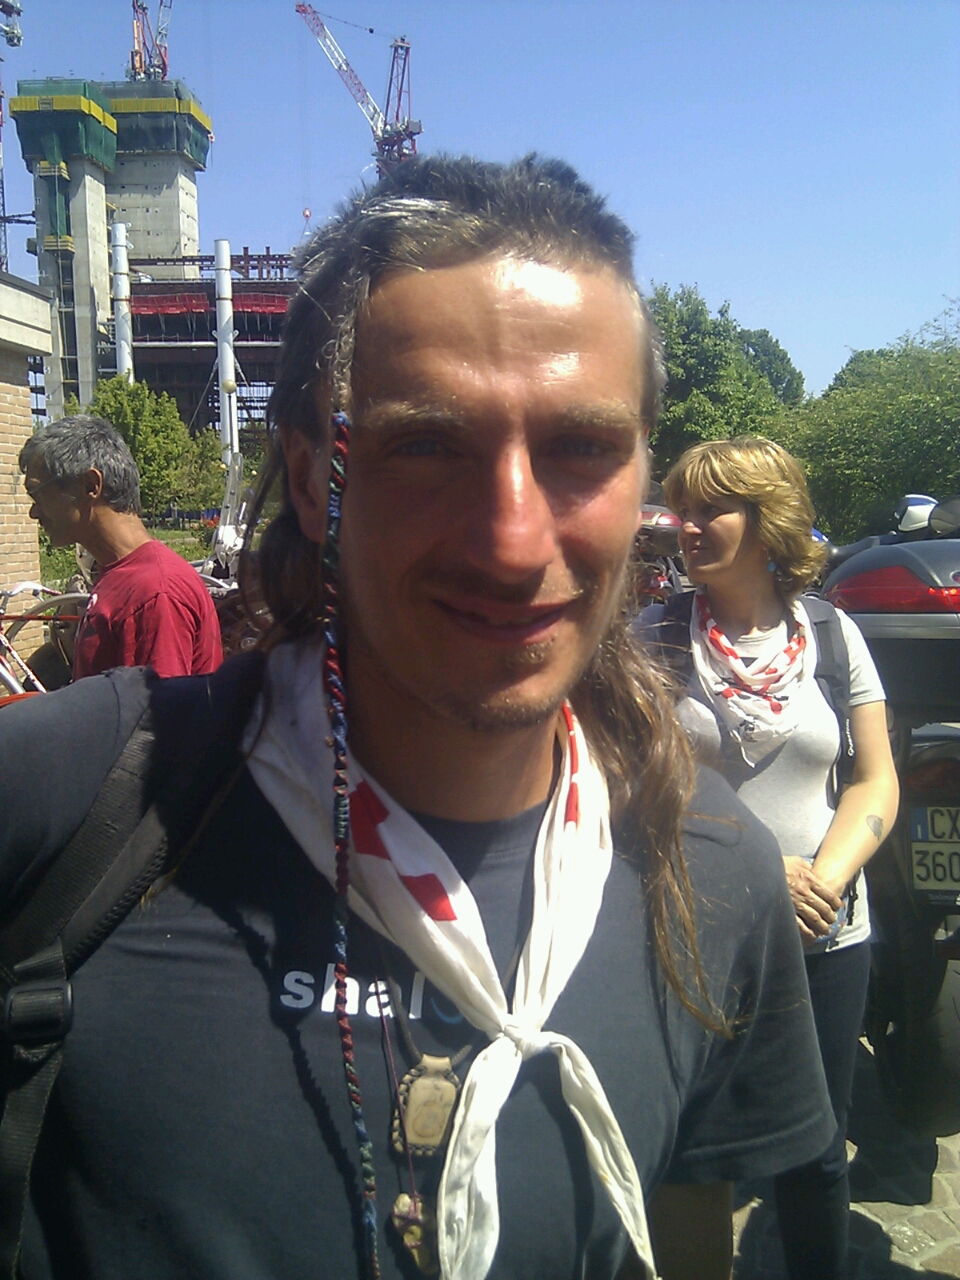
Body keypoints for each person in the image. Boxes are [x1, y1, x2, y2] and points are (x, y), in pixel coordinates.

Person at [0, 158, 835, 1280]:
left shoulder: (715, 875)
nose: (514, 541)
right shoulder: (76, 798)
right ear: (311, 480)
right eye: (428, 444)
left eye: (582, 447)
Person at [641, 436, 899, 1280]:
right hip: (699, 934)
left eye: (711, 508)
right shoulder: (654, 637)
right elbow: (625, 786)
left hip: (825, 936)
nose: (686, 525)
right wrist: (758, 870)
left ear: (768, 520)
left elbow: (874, 780)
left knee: (817, 1150)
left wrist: (826, 879)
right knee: (694, 1151)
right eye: (682, 508)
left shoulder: (833, 634)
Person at [19, 415, 223, 680]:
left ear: (90, 486)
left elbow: (155, 706)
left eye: (38, 495)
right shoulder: (121, 575)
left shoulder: (154, 592)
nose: (34, 513)